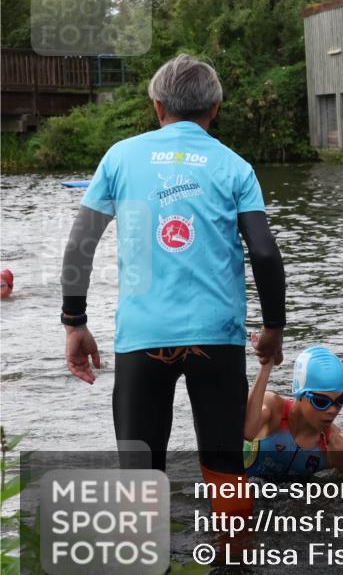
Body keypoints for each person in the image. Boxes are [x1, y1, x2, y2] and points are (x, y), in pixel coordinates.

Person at [60, 54, 286, 517]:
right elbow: (264, 252)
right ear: (215, 109)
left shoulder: (121, 157)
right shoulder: (235, 166)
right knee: (226, 468)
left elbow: (82, 241)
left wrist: (75, 320)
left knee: (140, 475)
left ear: (158, 107)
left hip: (143, 338)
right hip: (216, 339)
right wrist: (273, 328)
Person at [243, 344, 343, 481]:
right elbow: (246, 426)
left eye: (341, 399)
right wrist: (266, 366)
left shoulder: (337, 447)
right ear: (299, 394)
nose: (333, 410)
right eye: (321, 401)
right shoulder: (272, 410)